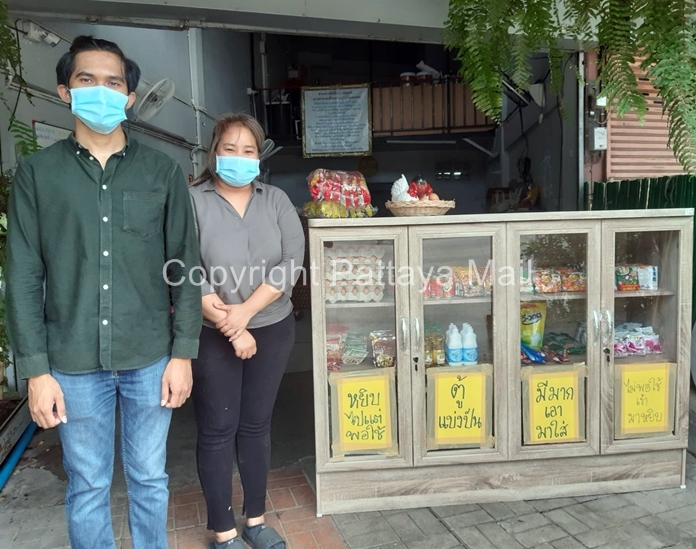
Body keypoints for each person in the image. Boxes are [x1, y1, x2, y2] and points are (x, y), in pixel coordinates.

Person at [5, 36, 202, 549]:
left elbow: (185, 267)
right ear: (65, 91)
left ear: (129, 97)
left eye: (113, 82)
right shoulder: (37, 174)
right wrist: (36, 371)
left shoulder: (161, 172)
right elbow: (24, 273)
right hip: (71, 361)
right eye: (86, 79)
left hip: (149, 357)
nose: (101, 90)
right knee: (88, 486)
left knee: (149, 479)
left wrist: (183, 355)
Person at [189, 113, 304, 549]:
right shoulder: (192, 201)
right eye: (229, 149)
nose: (239, 157)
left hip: (272, 328)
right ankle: (224, 531)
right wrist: (231, 326)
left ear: (260, 156)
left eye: (248, 150)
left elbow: (291, 263)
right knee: (217, 430)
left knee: (256, 426)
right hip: (209, 331)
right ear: (214, 153)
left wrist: (246, 315)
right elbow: (183, 271)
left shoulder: (275, 200)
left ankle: (255, 520)